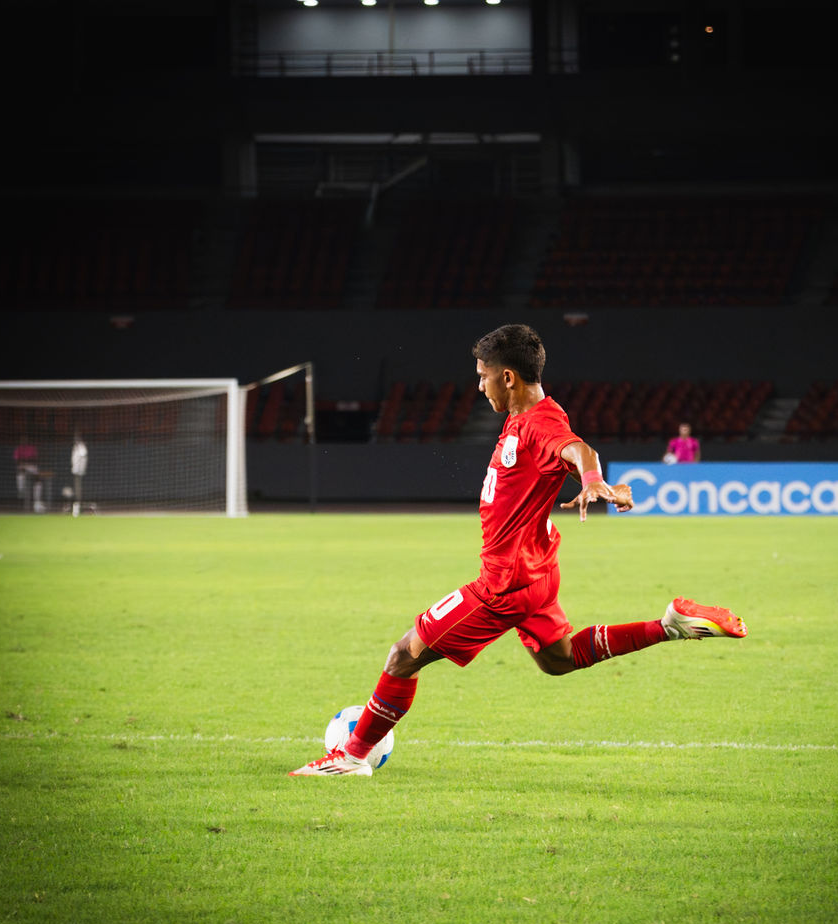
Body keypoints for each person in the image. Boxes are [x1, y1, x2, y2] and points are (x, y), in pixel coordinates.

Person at [290, 325, 746, 777]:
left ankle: (349, 757)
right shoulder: (531, 415)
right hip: (536, 572)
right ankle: (669, 626)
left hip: (503, 584)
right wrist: (585, 480)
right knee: (559, 659)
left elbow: (578, 450)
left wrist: (591, 481)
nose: (479, 384)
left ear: (508, 377)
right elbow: (559, 459)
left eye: (483, 375)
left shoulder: (539, 422)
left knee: (403, 657)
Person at [13, 437, 42, 512]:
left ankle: (37, 502)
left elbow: (35, 459)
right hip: (22, 466)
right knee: (20, 476)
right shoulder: (18, 448)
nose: (24, 441)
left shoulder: (32, 448)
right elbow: (17, 460)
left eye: (26, 439)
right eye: (22, 440)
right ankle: (21, 492)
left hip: (31, 466)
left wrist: (27, 461)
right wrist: (23, 463)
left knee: (38, 482)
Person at [70, 433, 88, 517]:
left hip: (79, 472)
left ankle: (77, 509)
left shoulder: (81, 447)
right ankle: (76, 508)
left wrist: (80, 468)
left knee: (78, 491)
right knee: (76, 491)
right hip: (75, 472)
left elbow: (83, 455)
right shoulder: (75, 447)